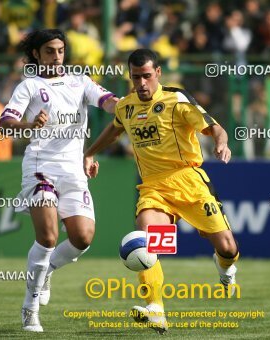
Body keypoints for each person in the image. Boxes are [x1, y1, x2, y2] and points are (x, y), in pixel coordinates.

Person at [84, 49, 239, 334]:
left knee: (228, 247)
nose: (141, 83)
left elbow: (215, 127)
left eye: (146, 76)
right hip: (154, 187)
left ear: (157, 74)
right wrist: (89, 153)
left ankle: (226, 269)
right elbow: (115, 129)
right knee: (148, 243)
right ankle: (156, 309)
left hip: (189, 181)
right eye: (135, 77)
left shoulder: (176, 99)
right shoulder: (126, 106)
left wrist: (221, 143)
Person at [0, 29, 118, 332]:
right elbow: (5, 124)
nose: (57, 56)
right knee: (49, 237)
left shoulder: (80, 81)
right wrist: (29, 123)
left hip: (74, 169)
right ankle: (30, 307)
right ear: (37, 55)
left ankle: (47, 269)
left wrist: (127, 106)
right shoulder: (29, 86)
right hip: (40, 167)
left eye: (61, 50)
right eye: (50, 51)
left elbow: (107, 102)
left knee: (82, 238)